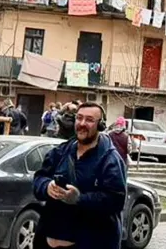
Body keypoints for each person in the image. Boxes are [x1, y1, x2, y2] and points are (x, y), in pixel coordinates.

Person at [33, 102, 127, 249]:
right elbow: (39, 178)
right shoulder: (60, 152)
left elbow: (116, 200)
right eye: (79, 118)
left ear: (100, 125)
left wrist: (79, 199)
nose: (82, 123)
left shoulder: (110, 159)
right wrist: (46, 187)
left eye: (89, 120)